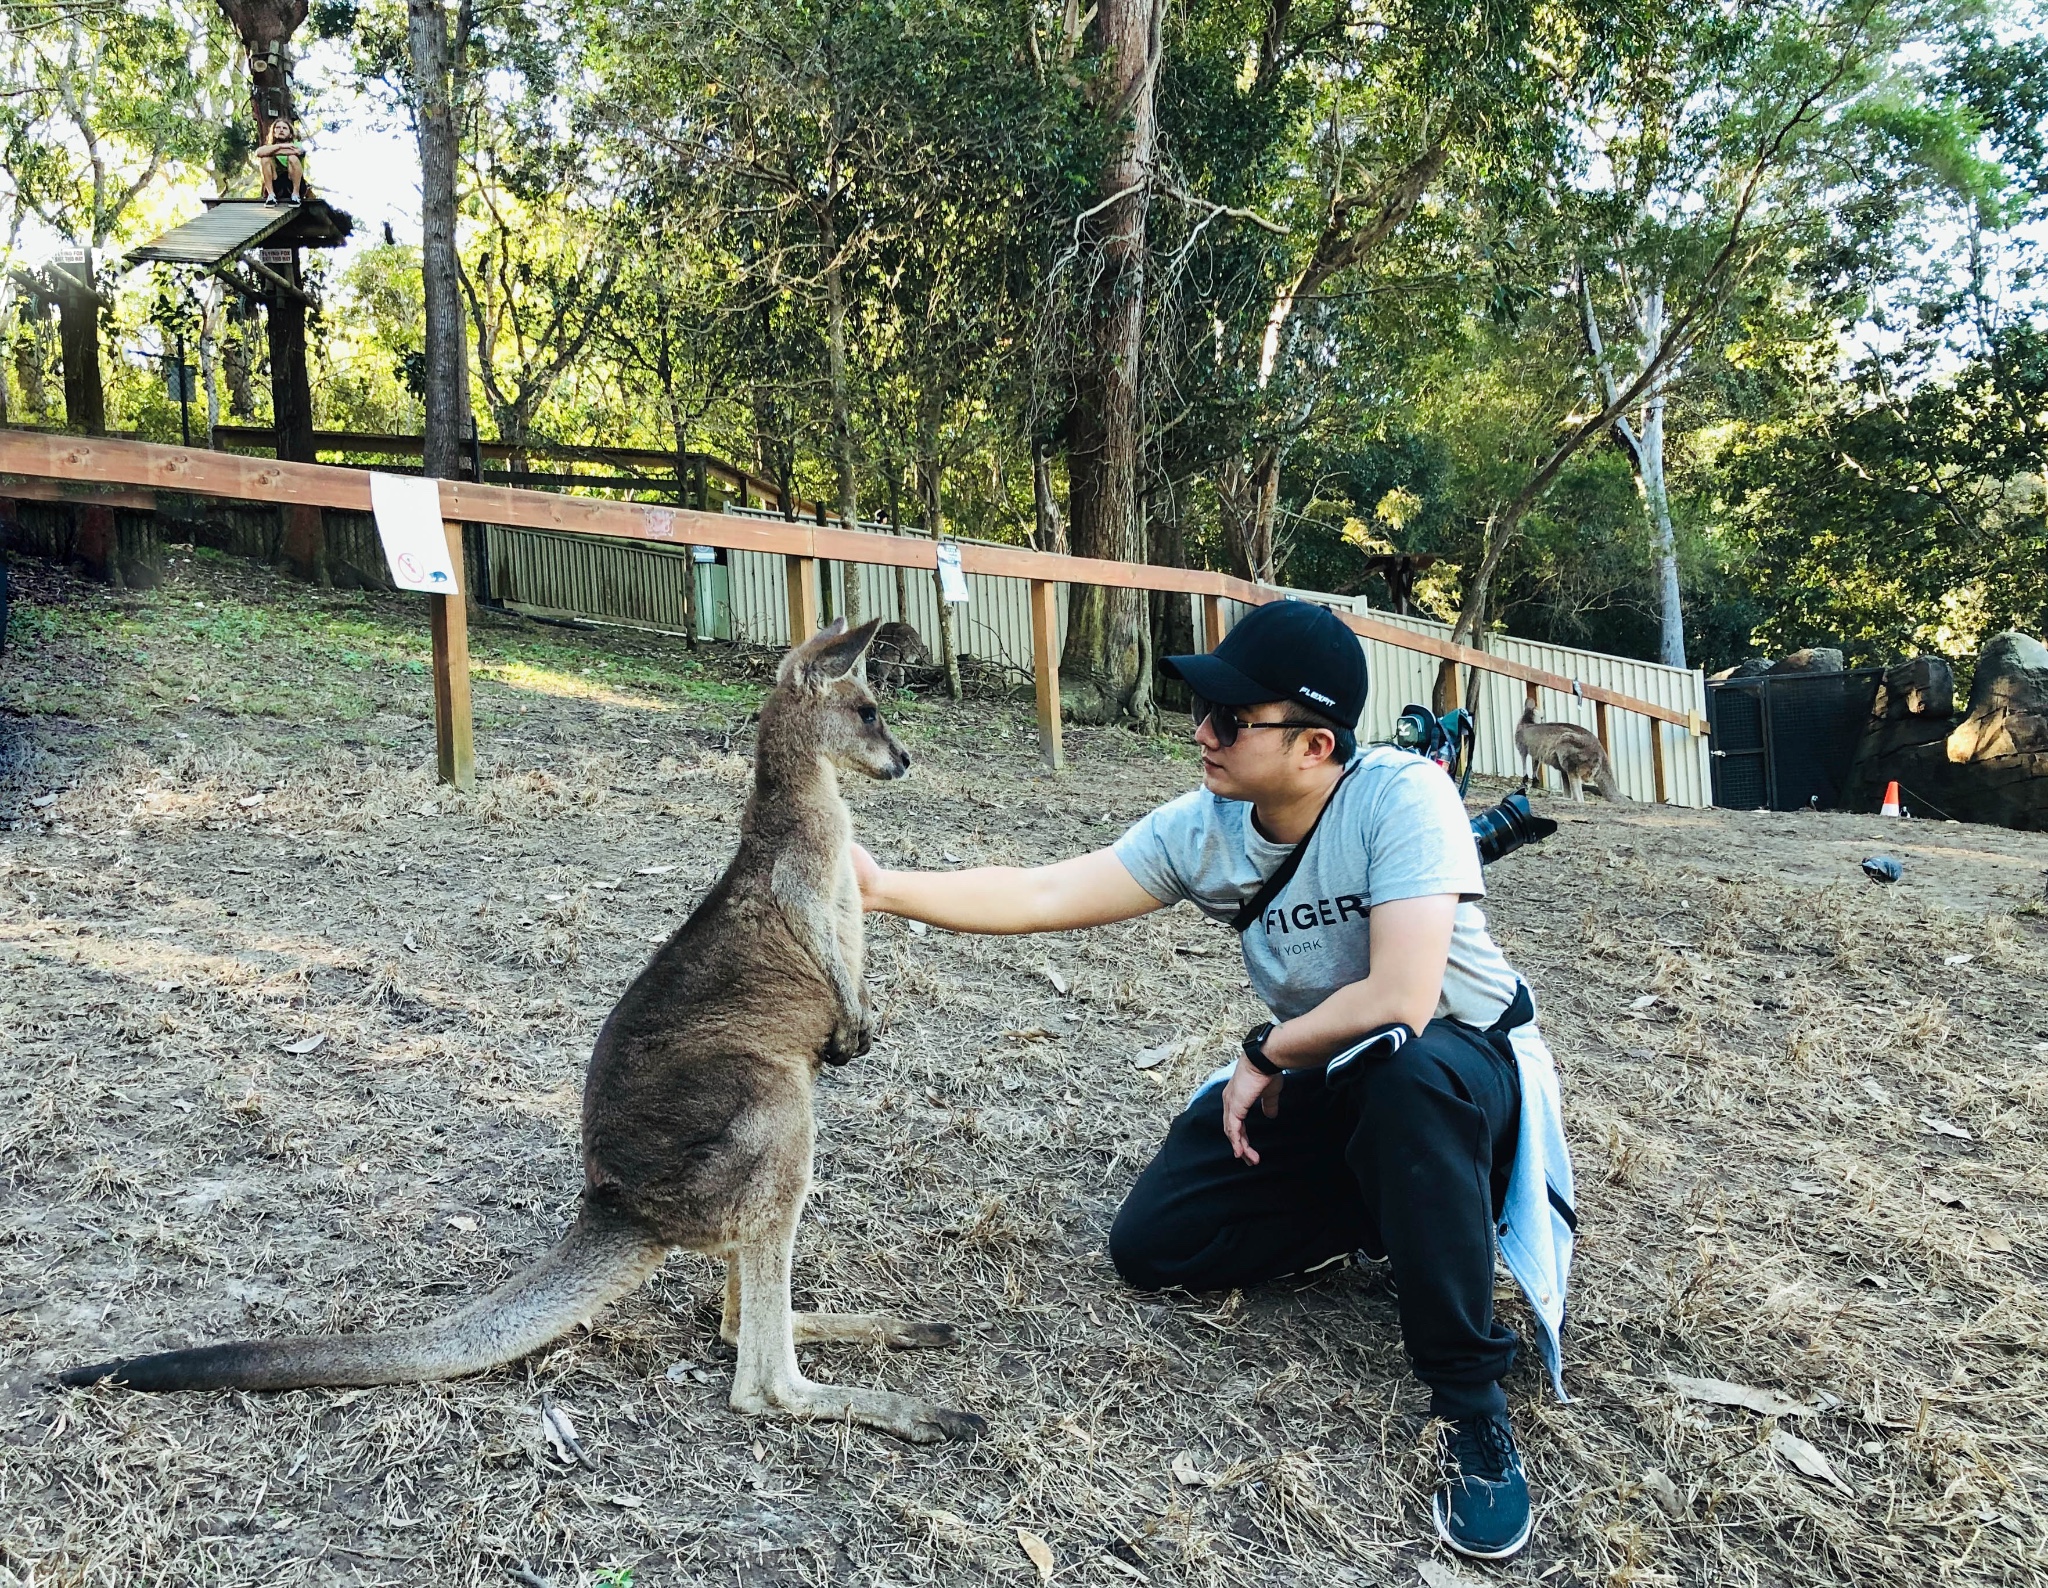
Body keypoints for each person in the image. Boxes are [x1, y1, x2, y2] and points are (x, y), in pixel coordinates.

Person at [852, 599, 1576, 1561]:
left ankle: (1473, 1408)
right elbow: (1044, 889)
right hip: (1328, 1070)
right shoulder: (1209, 827)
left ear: (1315, 743)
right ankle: (1388, 1213)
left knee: (1406, 1078)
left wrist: (1263, 1054)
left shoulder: (1403, 796)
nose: (1203, 732)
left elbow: (1402, 998)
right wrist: (881, 886)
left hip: (1454, 1074)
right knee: (1159, 1244)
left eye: (1233, 720)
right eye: (1206, 711)